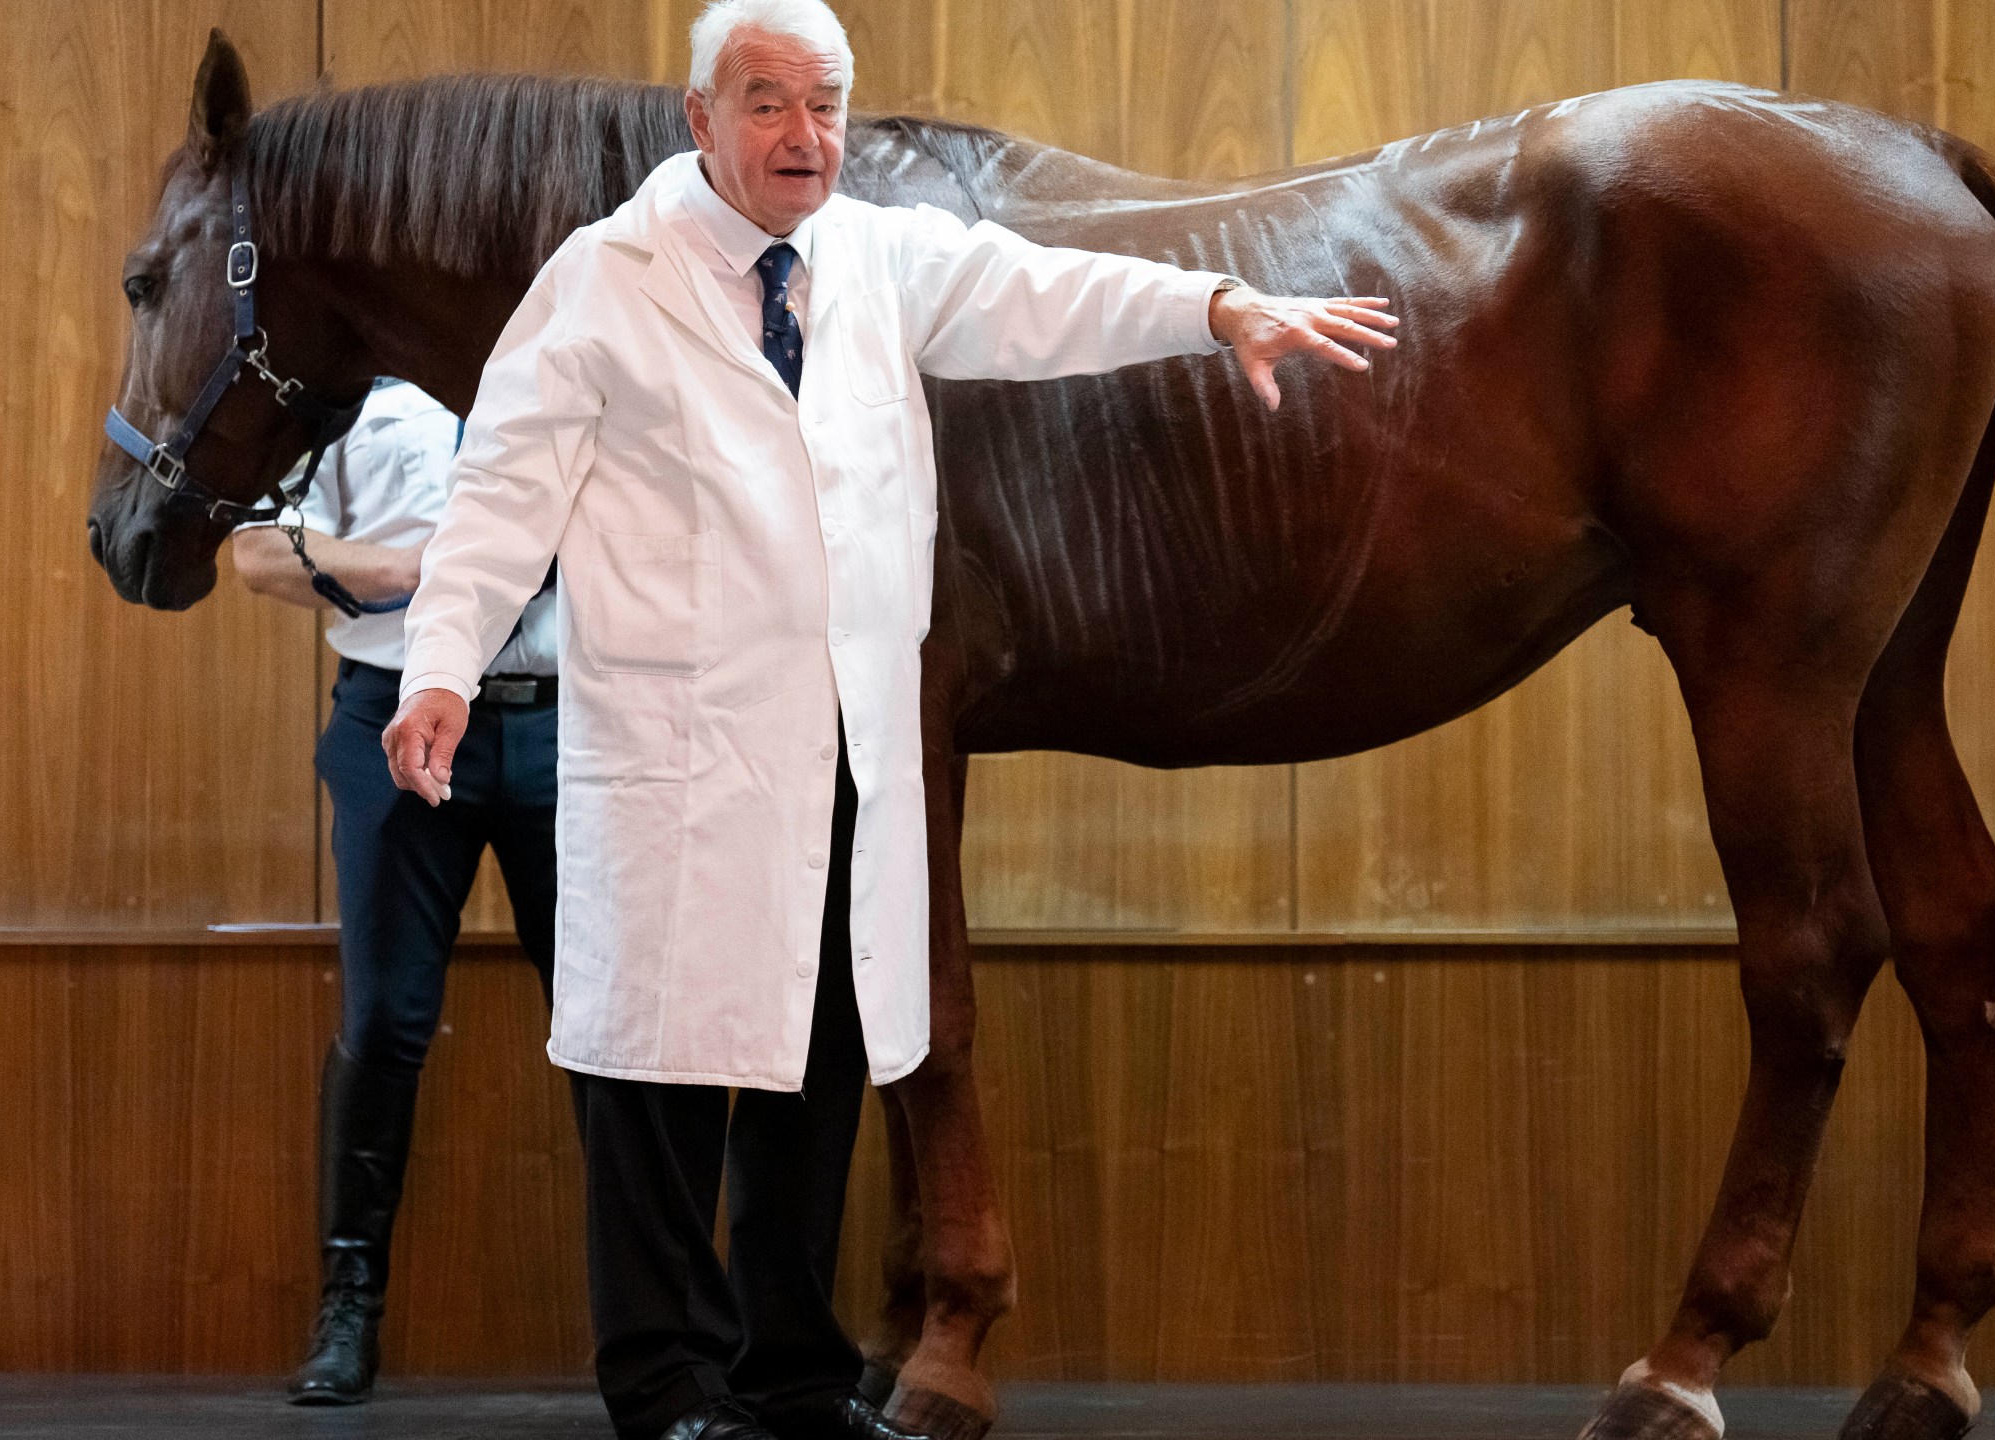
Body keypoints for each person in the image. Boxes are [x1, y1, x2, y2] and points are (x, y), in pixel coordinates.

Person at [381, 2, 1401, 1437]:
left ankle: (792, 1384)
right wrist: (440, 667)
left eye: (826, 103)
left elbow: (1044, 292)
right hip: (679, 765)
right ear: (700, 118)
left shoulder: (876, 255)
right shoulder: (603, 281)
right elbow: (500, 493)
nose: (805, 136)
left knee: (815, 1086)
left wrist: (1218, 306)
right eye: (767, 103)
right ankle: (667, 1389)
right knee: (659, 1093)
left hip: (846, 761)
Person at [229, 378, 563, 1406]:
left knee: (617, 1029)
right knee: (384, 1022)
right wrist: (408, 570)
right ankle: (348, 1310)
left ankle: (670, 1317)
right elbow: (251, 547)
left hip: (571, 723)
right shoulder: (345, 391)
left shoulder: (574, 362)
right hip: (392, 720)